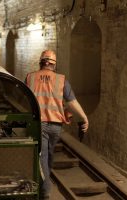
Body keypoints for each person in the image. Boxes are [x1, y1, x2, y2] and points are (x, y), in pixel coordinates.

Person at [25, 50, 89, 200]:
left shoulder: (30, 77)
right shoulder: (61, 80)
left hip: (38, 125)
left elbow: (24, 99)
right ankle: (46, 185)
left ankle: (45, 189)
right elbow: (72, 102)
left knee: (43, 156)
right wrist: (84, 117)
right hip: (56, 127)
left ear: (41, 62)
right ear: (54, 64)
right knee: (48, 153)